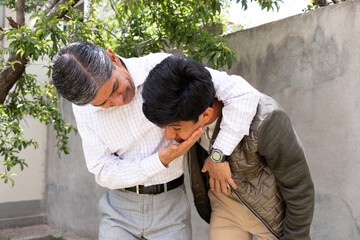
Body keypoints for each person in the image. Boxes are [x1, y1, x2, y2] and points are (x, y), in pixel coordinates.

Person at [51, 42, 260, 239]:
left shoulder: (161, 68)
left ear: (112, 57)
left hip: (170, 207)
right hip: (118, 210)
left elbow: (242, 94)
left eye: (115, 87)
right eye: (103, 103)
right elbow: (102, 169)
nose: (119, 100)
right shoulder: (84, 109)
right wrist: (158, 161)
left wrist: (219, 154)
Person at [142, 55, 315, 240]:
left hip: (272, 217)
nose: (168, 136)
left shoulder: (267, 119)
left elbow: (299, 187)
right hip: (224, 208)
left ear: (206, 114)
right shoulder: (188, 104)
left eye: (175, 128)